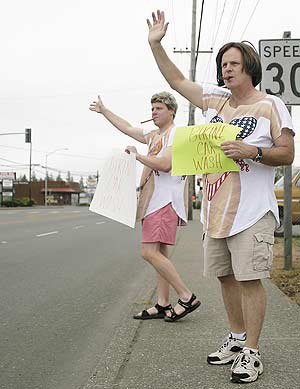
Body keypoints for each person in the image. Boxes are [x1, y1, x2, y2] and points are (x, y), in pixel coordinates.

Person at [146, 10, 295, 384]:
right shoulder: (217, 102)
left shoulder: (271, 105)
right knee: (226, 278)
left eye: (234, 64)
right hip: (216, 212)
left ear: (250, 69)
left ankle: (253, 353)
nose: (227, 70)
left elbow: (287, 153)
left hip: (252, 212)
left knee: (248, 280)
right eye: (223, 64)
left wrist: (253, 152)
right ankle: (237, 338)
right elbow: (178, 80)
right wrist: (156, 45)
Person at [89, 92, 201, 322]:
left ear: (171, 111)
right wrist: (104, 111)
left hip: (164, 200)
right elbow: (128, 127)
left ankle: (186, 296)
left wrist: (138, 156)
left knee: (148, 252)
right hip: (154, 200)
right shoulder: (153, 135)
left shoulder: (175, 134)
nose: (153, 112)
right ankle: (162, 303)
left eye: (159, 108)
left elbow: (166, 164)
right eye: (152, 109)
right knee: (159, 252)